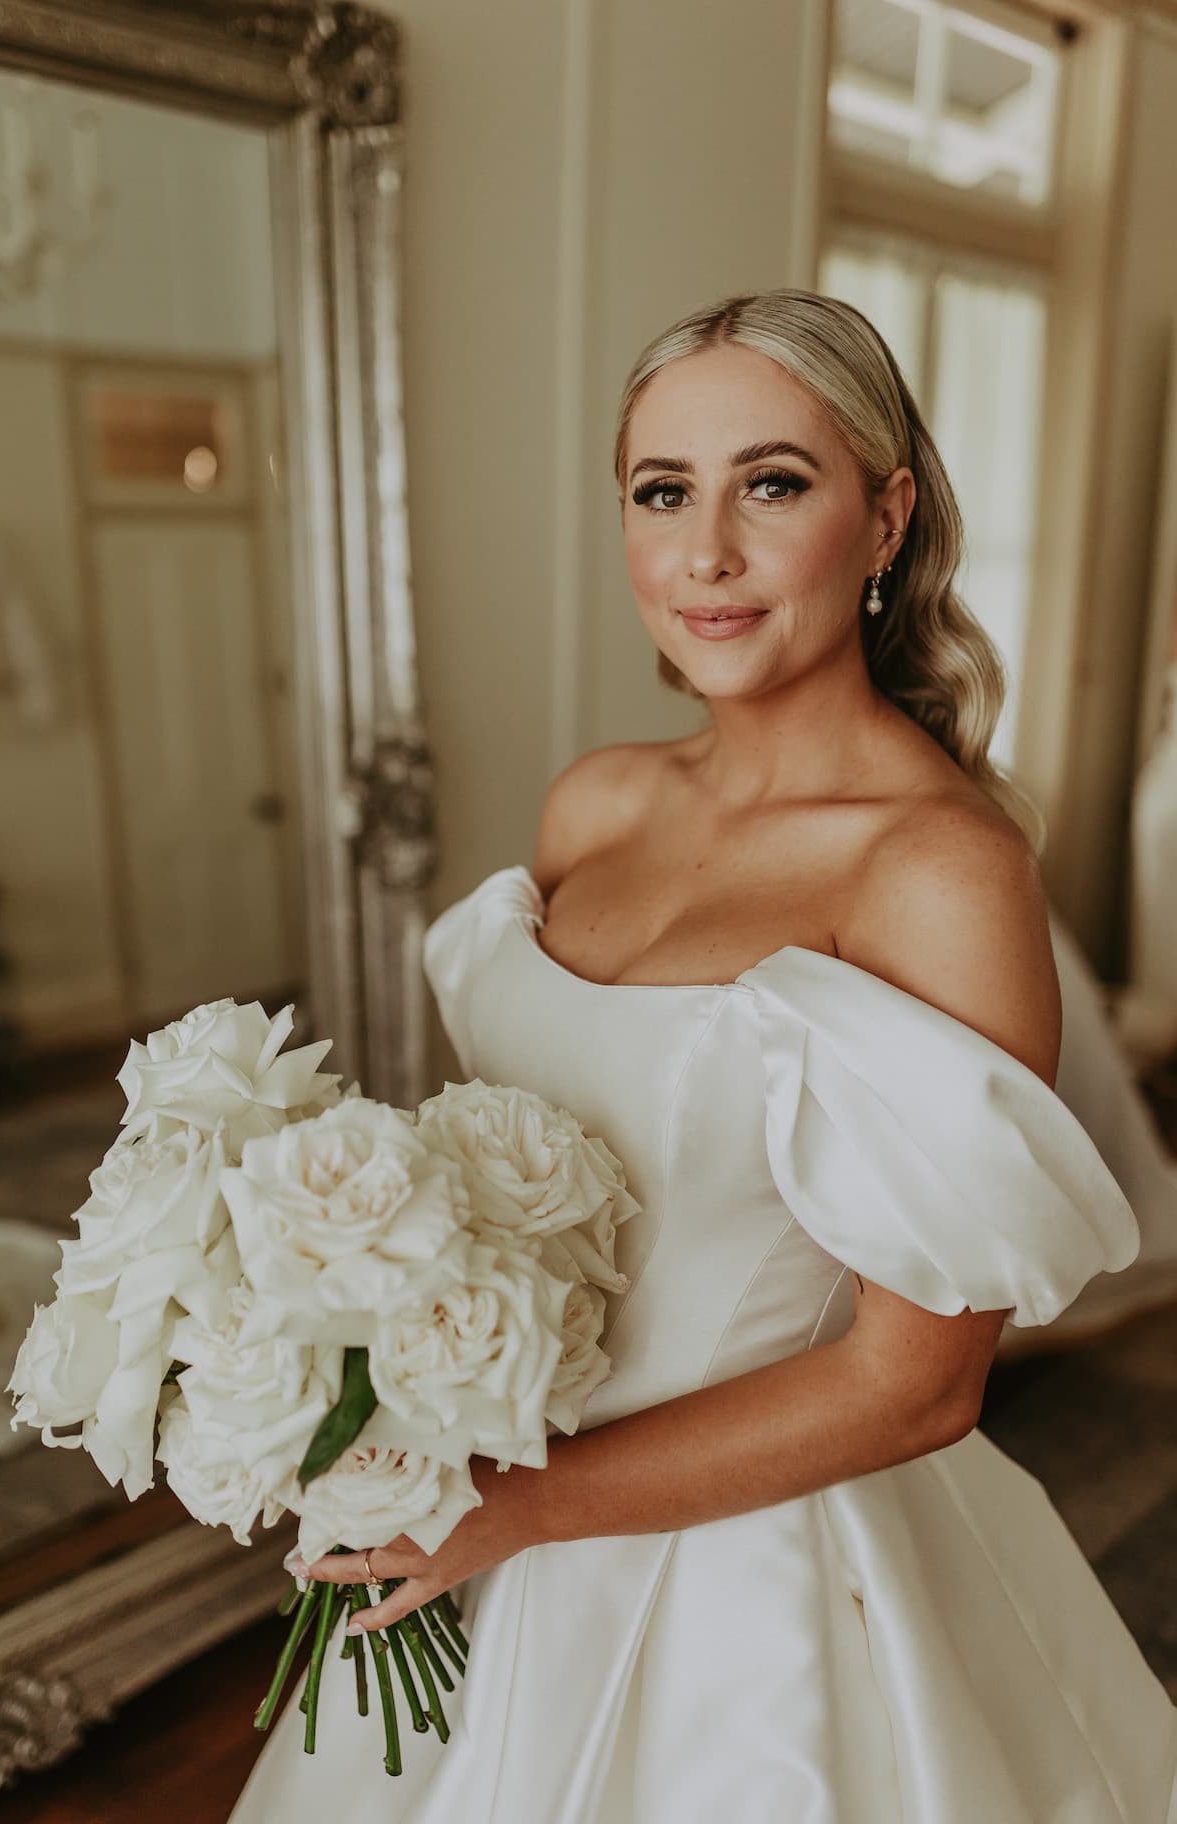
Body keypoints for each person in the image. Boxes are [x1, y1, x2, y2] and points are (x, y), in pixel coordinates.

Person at [229, 290, 1177, 1822]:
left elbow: (917, 1386)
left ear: (886, 518)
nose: (706, 553)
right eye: (663, 492)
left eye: (774, 484)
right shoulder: (593, 805)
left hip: (750, 1586)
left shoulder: (938, 872)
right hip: (482, 1501)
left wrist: (524, 1513)